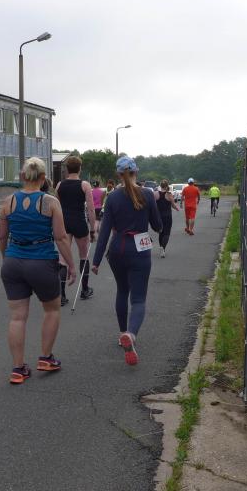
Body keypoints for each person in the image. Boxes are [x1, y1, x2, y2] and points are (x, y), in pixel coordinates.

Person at [0, 157, 76, 384]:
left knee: (17, 317)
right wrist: (71, 265)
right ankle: (45, 357)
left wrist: (6, 257)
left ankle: (18, 369)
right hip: (41, 261)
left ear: (23, 176)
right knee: (51, 310)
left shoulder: (8, 202)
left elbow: (2, 237)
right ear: (43, 178)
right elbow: (61, 237)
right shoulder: (50, 202)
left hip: (13, 261)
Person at [92, 156, 162, 366]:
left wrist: (96, 261)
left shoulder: (112, 197)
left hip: (118, 248)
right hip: (140, 248)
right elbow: (157, 225)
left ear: (118, 174)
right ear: (135, 172)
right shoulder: (147, 194)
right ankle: (131, 334)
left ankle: (122, 332)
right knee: (138, 299)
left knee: (122, 291)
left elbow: (104, 232)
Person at [55, 156, 96, 304]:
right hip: (79, 222)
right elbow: (91, 209)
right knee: (83, 256)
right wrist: (93, 229)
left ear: (67, 169)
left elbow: (56, 207)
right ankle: (84, 290)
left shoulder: (59, 185)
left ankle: (61, 295)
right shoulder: (84, 185)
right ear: (80, 168)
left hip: (64, 223)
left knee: (62, 258)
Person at [155, 180, 180, 258]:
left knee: (161, 232)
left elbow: (153, 205)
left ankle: (161, 247)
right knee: (167, 233)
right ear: (166, 186)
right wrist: (177, 208)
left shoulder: (155, 194)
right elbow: (173, 205)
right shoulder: (169, 195)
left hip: (159, 216)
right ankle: (163, 248)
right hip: (167, 216)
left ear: (160, 186)